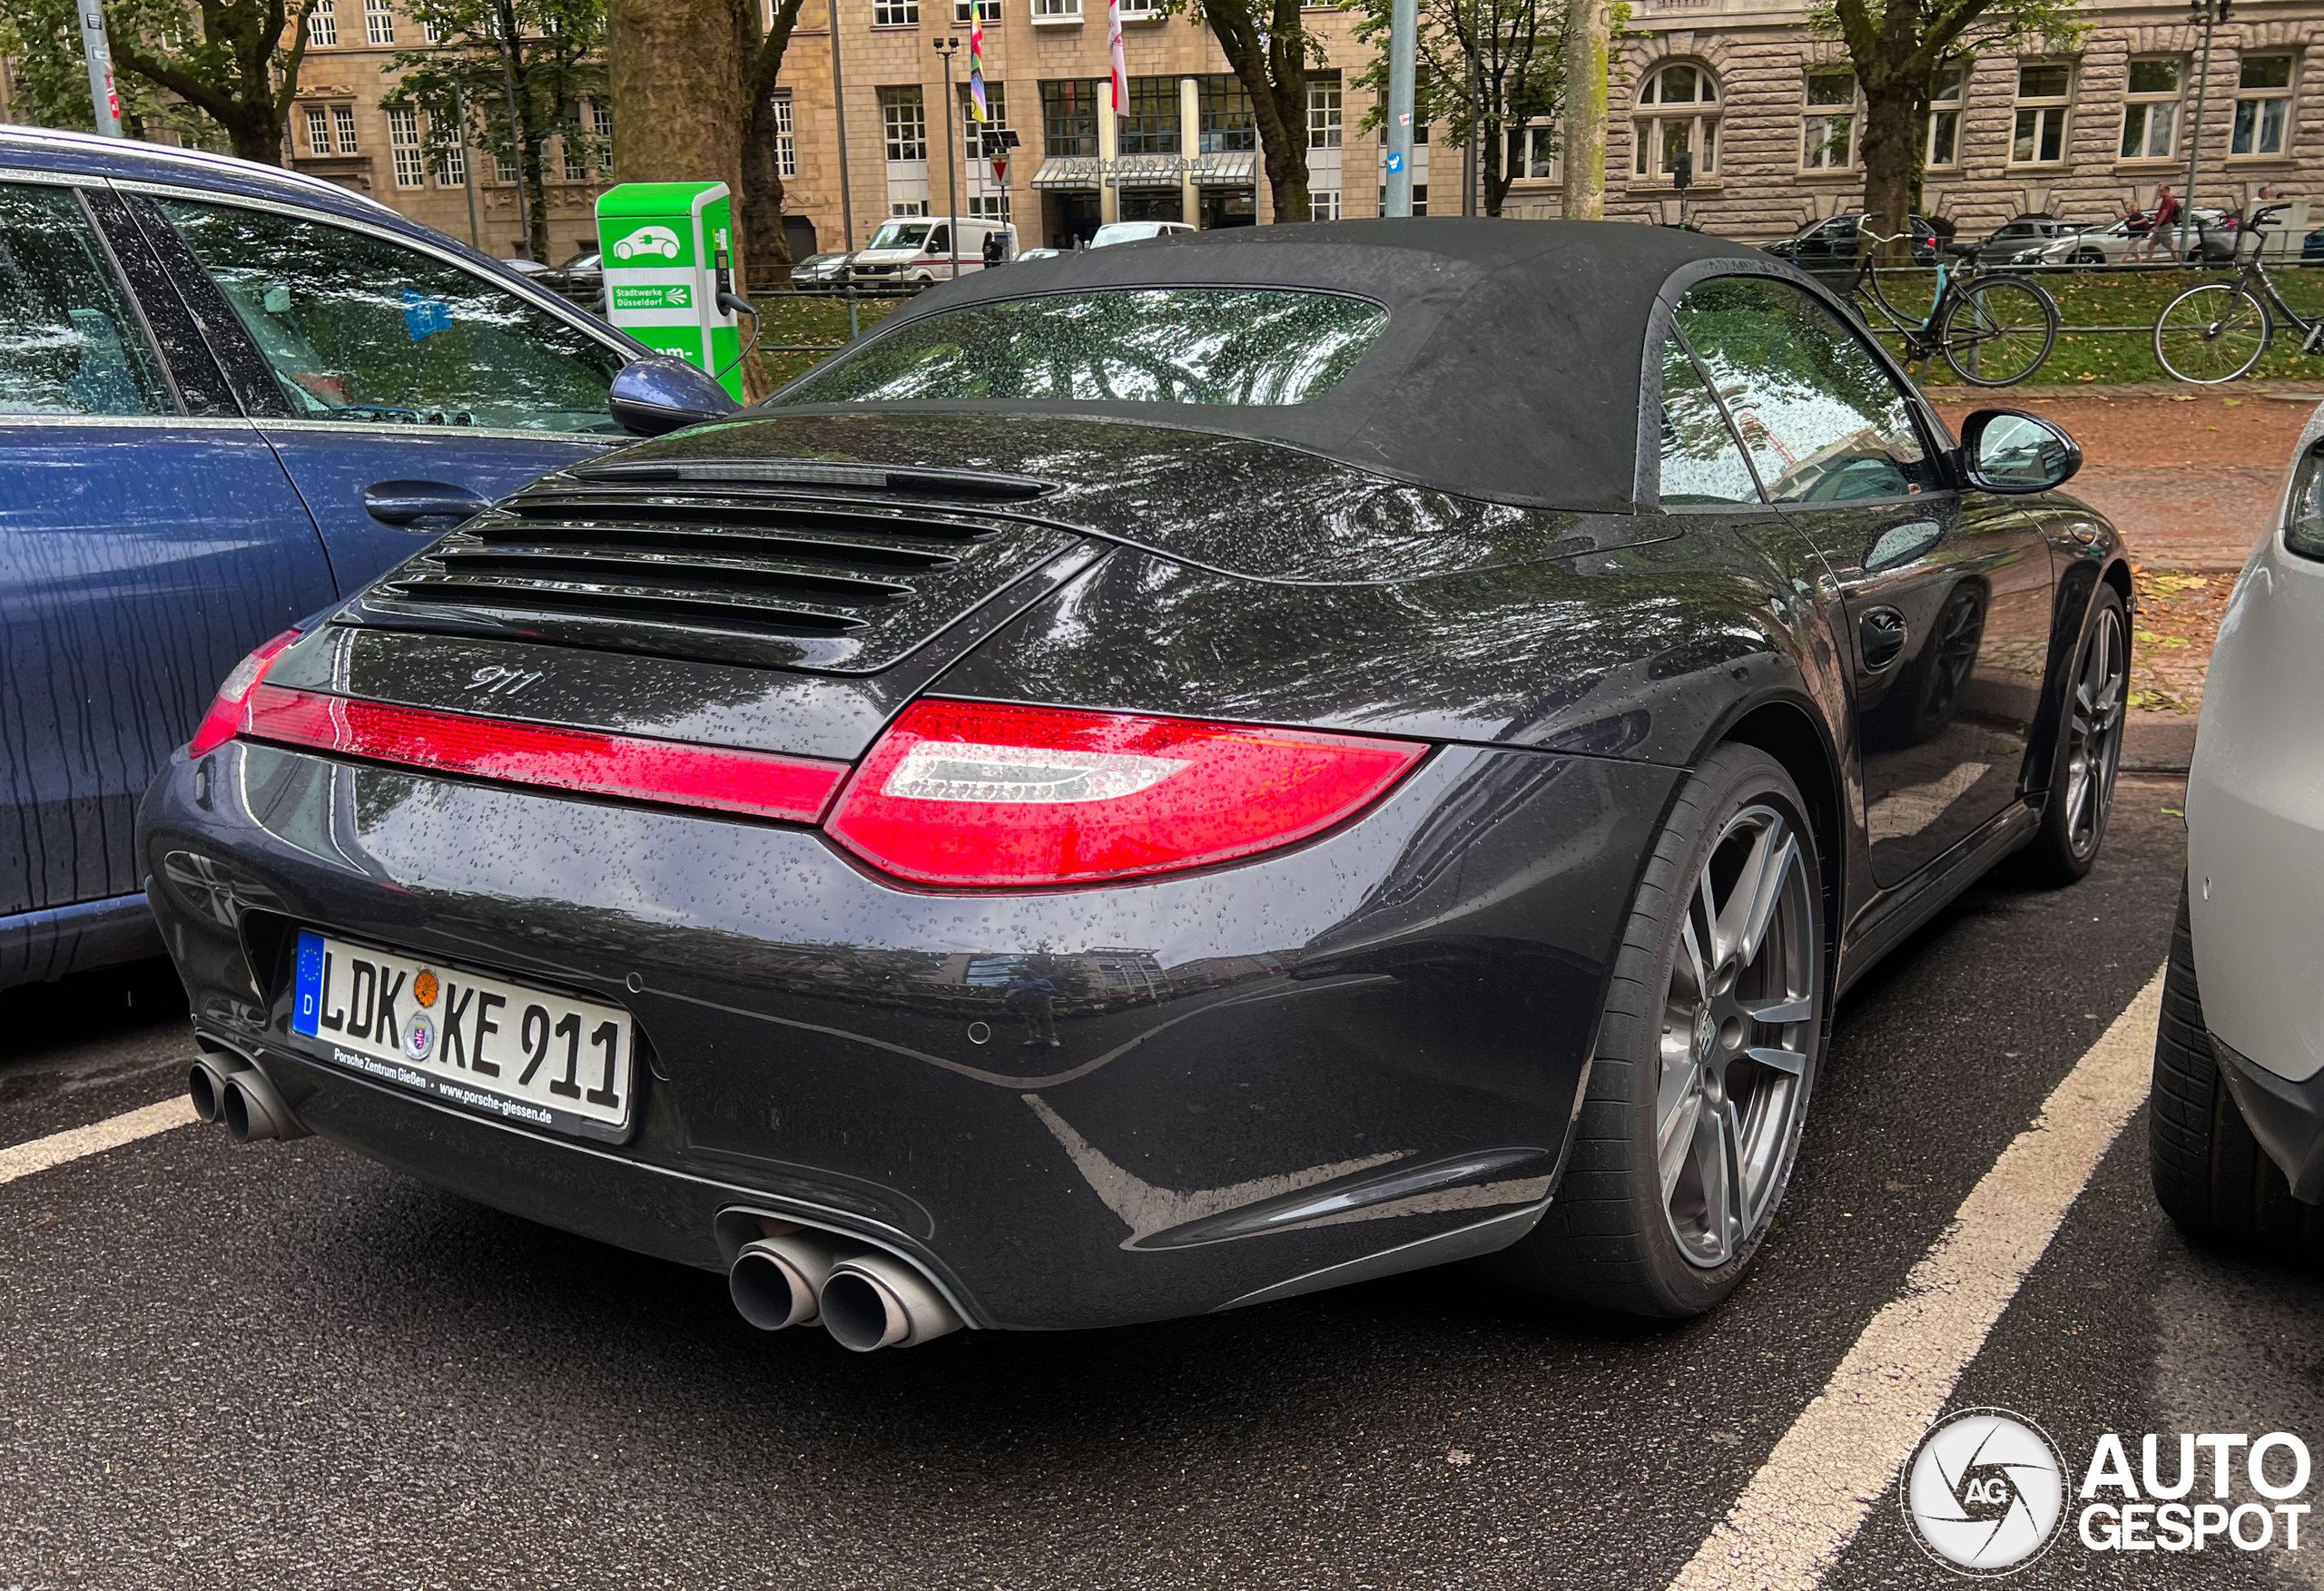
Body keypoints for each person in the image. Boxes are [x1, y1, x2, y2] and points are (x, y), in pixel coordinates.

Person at [2139, 185, 2181, 260]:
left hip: (2165, 226)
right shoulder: (2165, 200)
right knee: (2151, 245)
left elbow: (2164, 214)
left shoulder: (2168, 200)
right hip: (2160, 226)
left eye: (2161, 191)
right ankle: (2147, 263)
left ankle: (2177, 261)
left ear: (2166, 191)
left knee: (2168, 245)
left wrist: (2156, 225)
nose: (2159, 193)